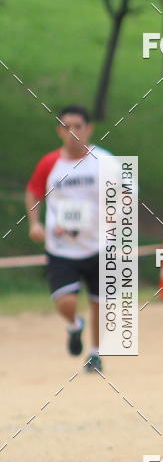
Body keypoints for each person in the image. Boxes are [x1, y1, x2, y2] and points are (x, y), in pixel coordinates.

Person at [26, 105, 110, 372]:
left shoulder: (105, 162)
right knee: (66, 302)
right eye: (66, 127)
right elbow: (33, 192)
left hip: (99, 245)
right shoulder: (50, 163)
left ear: (89, 129)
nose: (72, 132)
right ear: (59, 130)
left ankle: (95, 354)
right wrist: (35, 223)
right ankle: (74, 325)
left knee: (100, 303)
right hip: (61, 247)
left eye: (78, 126)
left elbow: (127, 193)